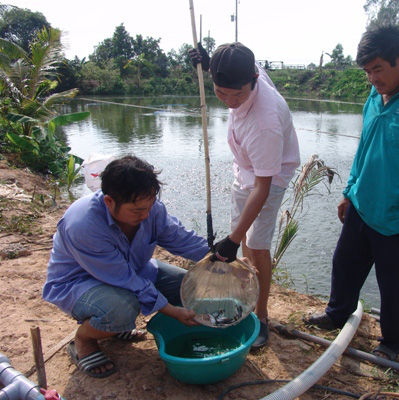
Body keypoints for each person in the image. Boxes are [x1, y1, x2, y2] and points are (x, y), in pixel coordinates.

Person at [304, 25, 399, 362]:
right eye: (367, 71)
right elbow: (364, 149)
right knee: (344, 264)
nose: (372, 78)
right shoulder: (374, 95)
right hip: (361, 204)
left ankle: (391, 343)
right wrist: (349, 189)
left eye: (378, 70)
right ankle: (337, 314)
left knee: (394, 285)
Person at [42, 155, 211, 378]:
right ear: (109, 201)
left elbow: (183, 240)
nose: (147, 215)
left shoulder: (150, 209)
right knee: (122, 307)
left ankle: (114, 328)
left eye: (150, 206)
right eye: (138, 210)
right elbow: (125, 279)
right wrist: (172, 311)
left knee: (188, 286)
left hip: (133, 270)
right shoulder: (83, 224)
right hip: (80, 284)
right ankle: (84, 339)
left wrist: (222, 258)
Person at [190, 42, 300, 349]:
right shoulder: (242, 70)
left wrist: (233, 239)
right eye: (220, 93)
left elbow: (262, 189)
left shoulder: (265, 123)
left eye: (237, 94)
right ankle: (245, 298)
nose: (229, 101)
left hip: (270, 175)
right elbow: (230, 56)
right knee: (245, 243)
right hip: (246, 167)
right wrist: (206, 58)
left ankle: (261, 315)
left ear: (253, 80)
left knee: (256, 245)